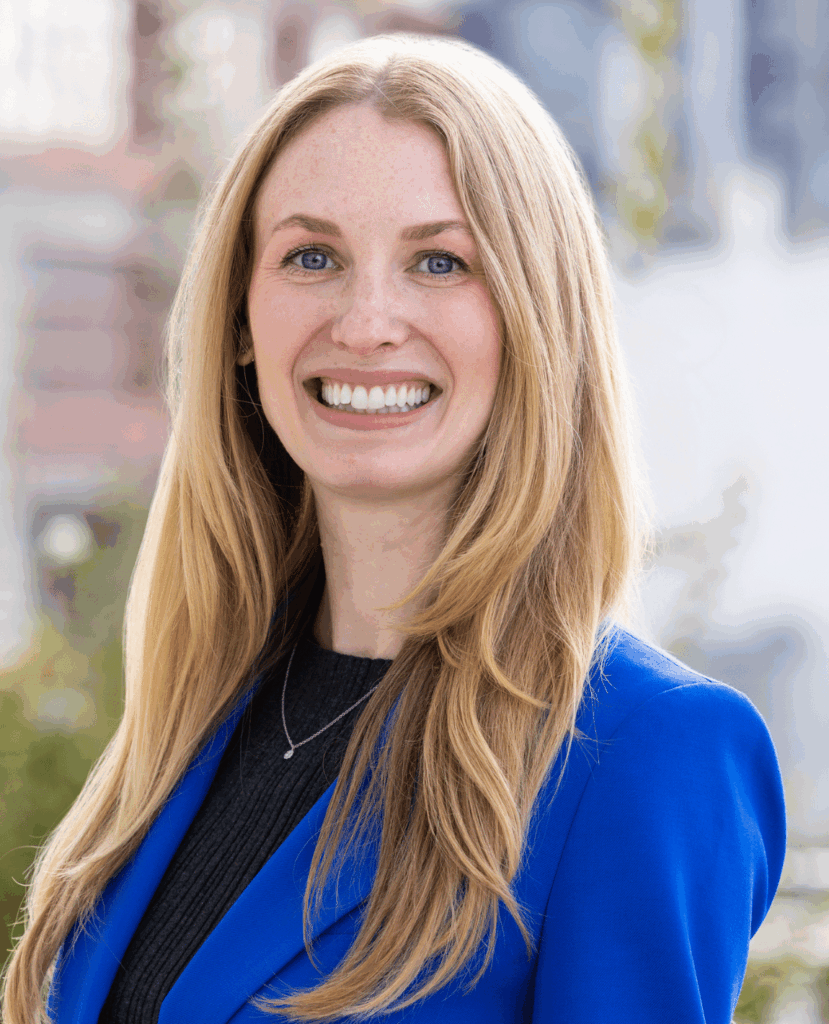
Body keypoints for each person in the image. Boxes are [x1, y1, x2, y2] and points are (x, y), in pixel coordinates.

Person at [2, 32, 785, 1024]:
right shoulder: (203, 716)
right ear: (241, 320)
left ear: (534, 318)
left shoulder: (646, 753)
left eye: (439, 261)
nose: (367, 320)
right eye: (312, 256)